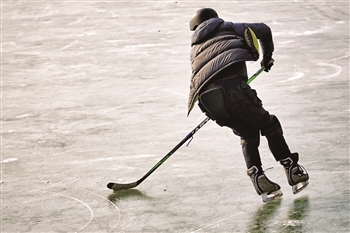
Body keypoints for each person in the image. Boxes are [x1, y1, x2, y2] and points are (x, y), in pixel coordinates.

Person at [187, 8, 309, 203]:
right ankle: (292, 169)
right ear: (214, 20)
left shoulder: (195, 49)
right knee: (269, 124)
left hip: (208, 101)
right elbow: (264, 30)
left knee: (247, 132)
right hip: (234, 90)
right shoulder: (228, 27)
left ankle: (259, 180)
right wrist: (266, 57)